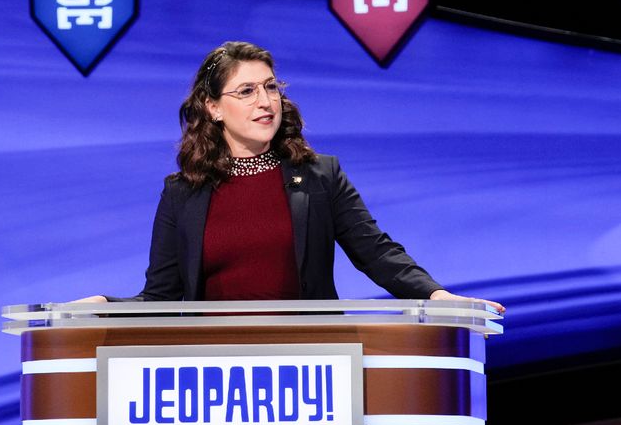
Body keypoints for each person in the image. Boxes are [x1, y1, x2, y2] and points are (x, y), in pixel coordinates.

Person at [78, 41, 503, 313]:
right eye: (246, 91)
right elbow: (162, 297)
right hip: (214, 370)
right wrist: (106, 305)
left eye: (271, 87)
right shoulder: (182, 192)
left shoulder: (319, 176)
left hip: (309, 363)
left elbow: (376, 253)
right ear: (213, 108)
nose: (265, 102)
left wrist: (436, 295)